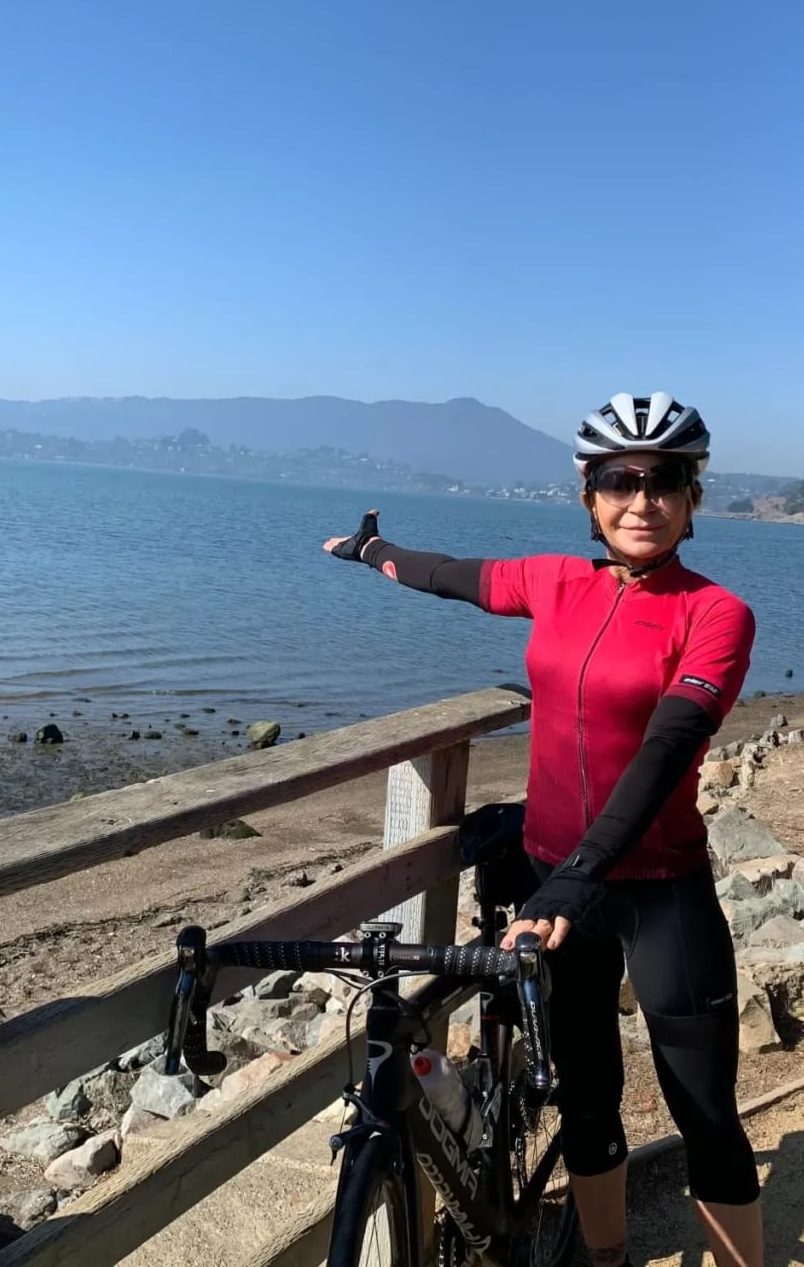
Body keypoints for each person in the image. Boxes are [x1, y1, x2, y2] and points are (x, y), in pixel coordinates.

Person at [323, 392, 763, 1267]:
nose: (643, 500)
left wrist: (578, 875)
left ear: (692, 497)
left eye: (665, 480)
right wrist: (372, 549)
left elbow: (667, 750)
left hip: (658, 888)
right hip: (554, 881)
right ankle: (604, 1259)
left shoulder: (716, 614)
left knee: (704, 1113)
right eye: (620, 480)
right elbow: (448, 573)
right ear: (590, 496)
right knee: (589, 1100)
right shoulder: (556, 582)